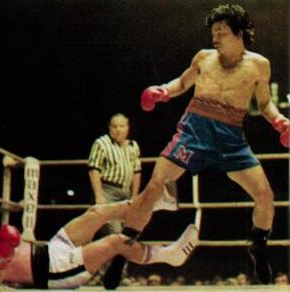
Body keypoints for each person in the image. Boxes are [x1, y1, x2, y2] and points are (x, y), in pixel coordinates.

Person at [103, 4, 290, 288]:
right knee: (154, 187)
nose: (215, 37)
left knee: (264, 194)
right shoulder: (204, 57)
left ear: (239, 34)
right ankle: (121, 253)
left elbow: (263, 104)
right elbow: (182, 82)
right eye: (213, 32)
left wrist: (280, 121)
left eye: (222, 32)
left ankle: (258, 246)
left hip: (231, 137)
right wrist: (163, 91)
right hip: (194, 130)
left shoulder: (259, 65)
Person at [0, 196, 199, 289]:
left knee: (97, 212)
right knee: (117, 241)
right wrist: (5, 254)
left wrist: (8, 249)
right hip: (53, 272)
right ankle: (170, 255)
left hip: (50, 251)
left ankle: (151, 203)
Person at [88, 113, 178, 236]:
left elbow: (137, 172)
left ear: (127, 128)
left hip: (126, 191)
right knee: (113, 232)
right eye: (114, 126)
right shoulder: (101, 143)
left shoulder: (133, 146)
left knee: (129, 230)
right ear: (109, 128)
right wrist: (99, 195)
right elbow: (93, 169)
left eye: (121, 126)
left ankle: (117, 253)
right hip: (107, 190)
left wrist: (135, 196)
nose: (118, 130)